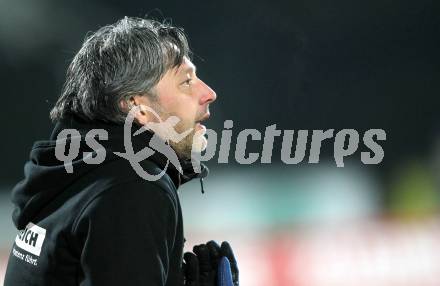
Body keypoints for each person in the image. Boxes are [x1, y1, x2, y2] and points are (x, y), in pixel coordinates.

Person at [4, 17, 238, 286]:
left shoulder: (77, 175)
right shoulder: (134, 187)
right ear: (136, 106)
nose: (209, 93)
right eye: (186, 82)